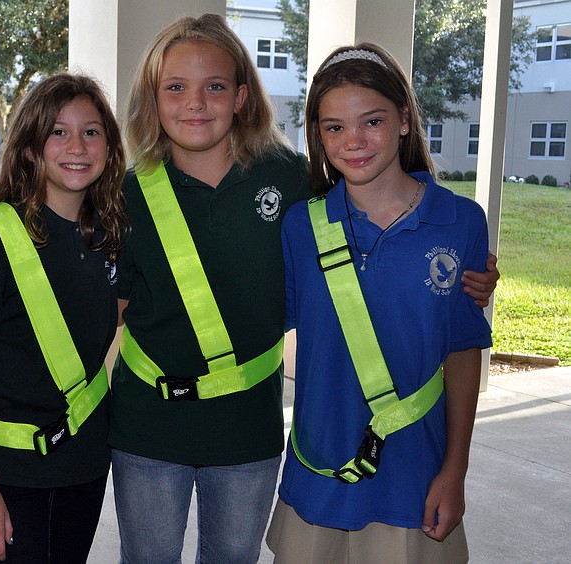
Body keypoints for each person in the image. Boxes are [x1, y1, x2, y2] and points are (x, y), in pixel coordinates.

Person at [111, 14, 499, 564]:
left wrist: (467, 276)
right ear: (153, 98)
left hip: (250, 430)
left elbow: (381, 216)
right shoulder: (126, 194)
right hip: (147, 427)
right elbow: (104, 299)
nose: (195, 103)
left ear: (242, 96)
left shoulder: (290, 182)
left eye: (214, 87)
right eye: (176, 87)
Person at [266, 43, 493, 563]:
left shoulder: (460, 222)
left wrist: (455, 469)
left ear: (405, 120)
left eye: (372, 121)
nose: (354, 142)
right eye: (333, 127)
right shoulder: (302, 226)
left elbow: (462, 351)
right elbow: (257, 317)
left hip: (415, 478)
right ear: (318, 137)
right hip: (318, 476)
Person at [0, 73, 127, 563]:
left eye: (91, 132)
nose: (77, 145)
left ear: (110, 148)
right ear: (30, 149)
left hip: (86, 461)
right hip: (12, 470)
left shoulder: (111, 232)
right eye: (58, 132)